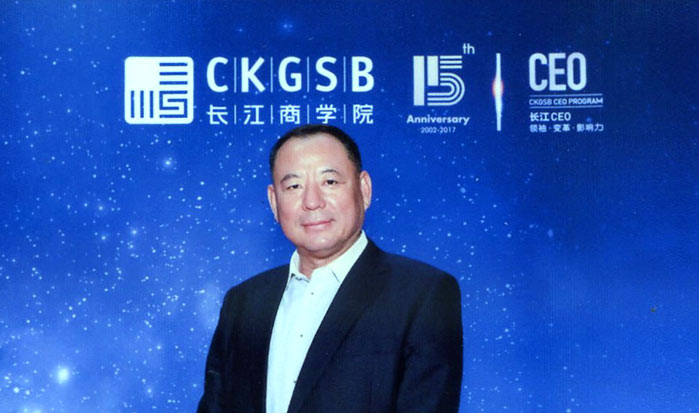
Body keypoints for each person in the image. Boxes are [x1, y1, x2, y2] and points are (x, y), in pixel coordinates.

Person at [198, 124, 463, 413]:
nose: (312, 202)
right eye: (294, 186)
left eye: (330, 182)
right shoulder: (243, 302)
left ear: (364, 189)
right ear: (274, 202)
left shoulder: (422, 294)